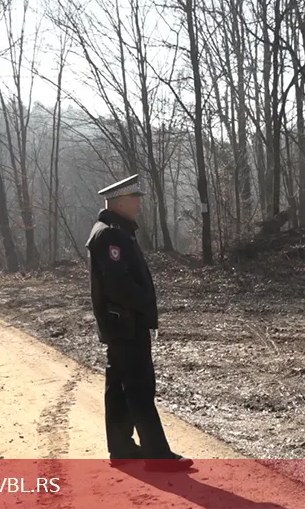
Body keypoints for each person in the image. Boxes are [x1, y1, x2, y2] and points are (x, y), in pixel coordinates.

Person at [85, 174, 193, 472]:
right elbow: (118, 285)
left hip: (120, 324)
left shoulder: (112, 230)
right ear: (120, 202)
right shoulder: (111, 235)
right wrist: (146, 303)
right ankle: (157, 455)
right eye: (135, 200)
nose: (140, 206)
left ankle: (121, 448)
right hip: (126, 324)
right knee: (139, 387)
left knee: (119, 386)